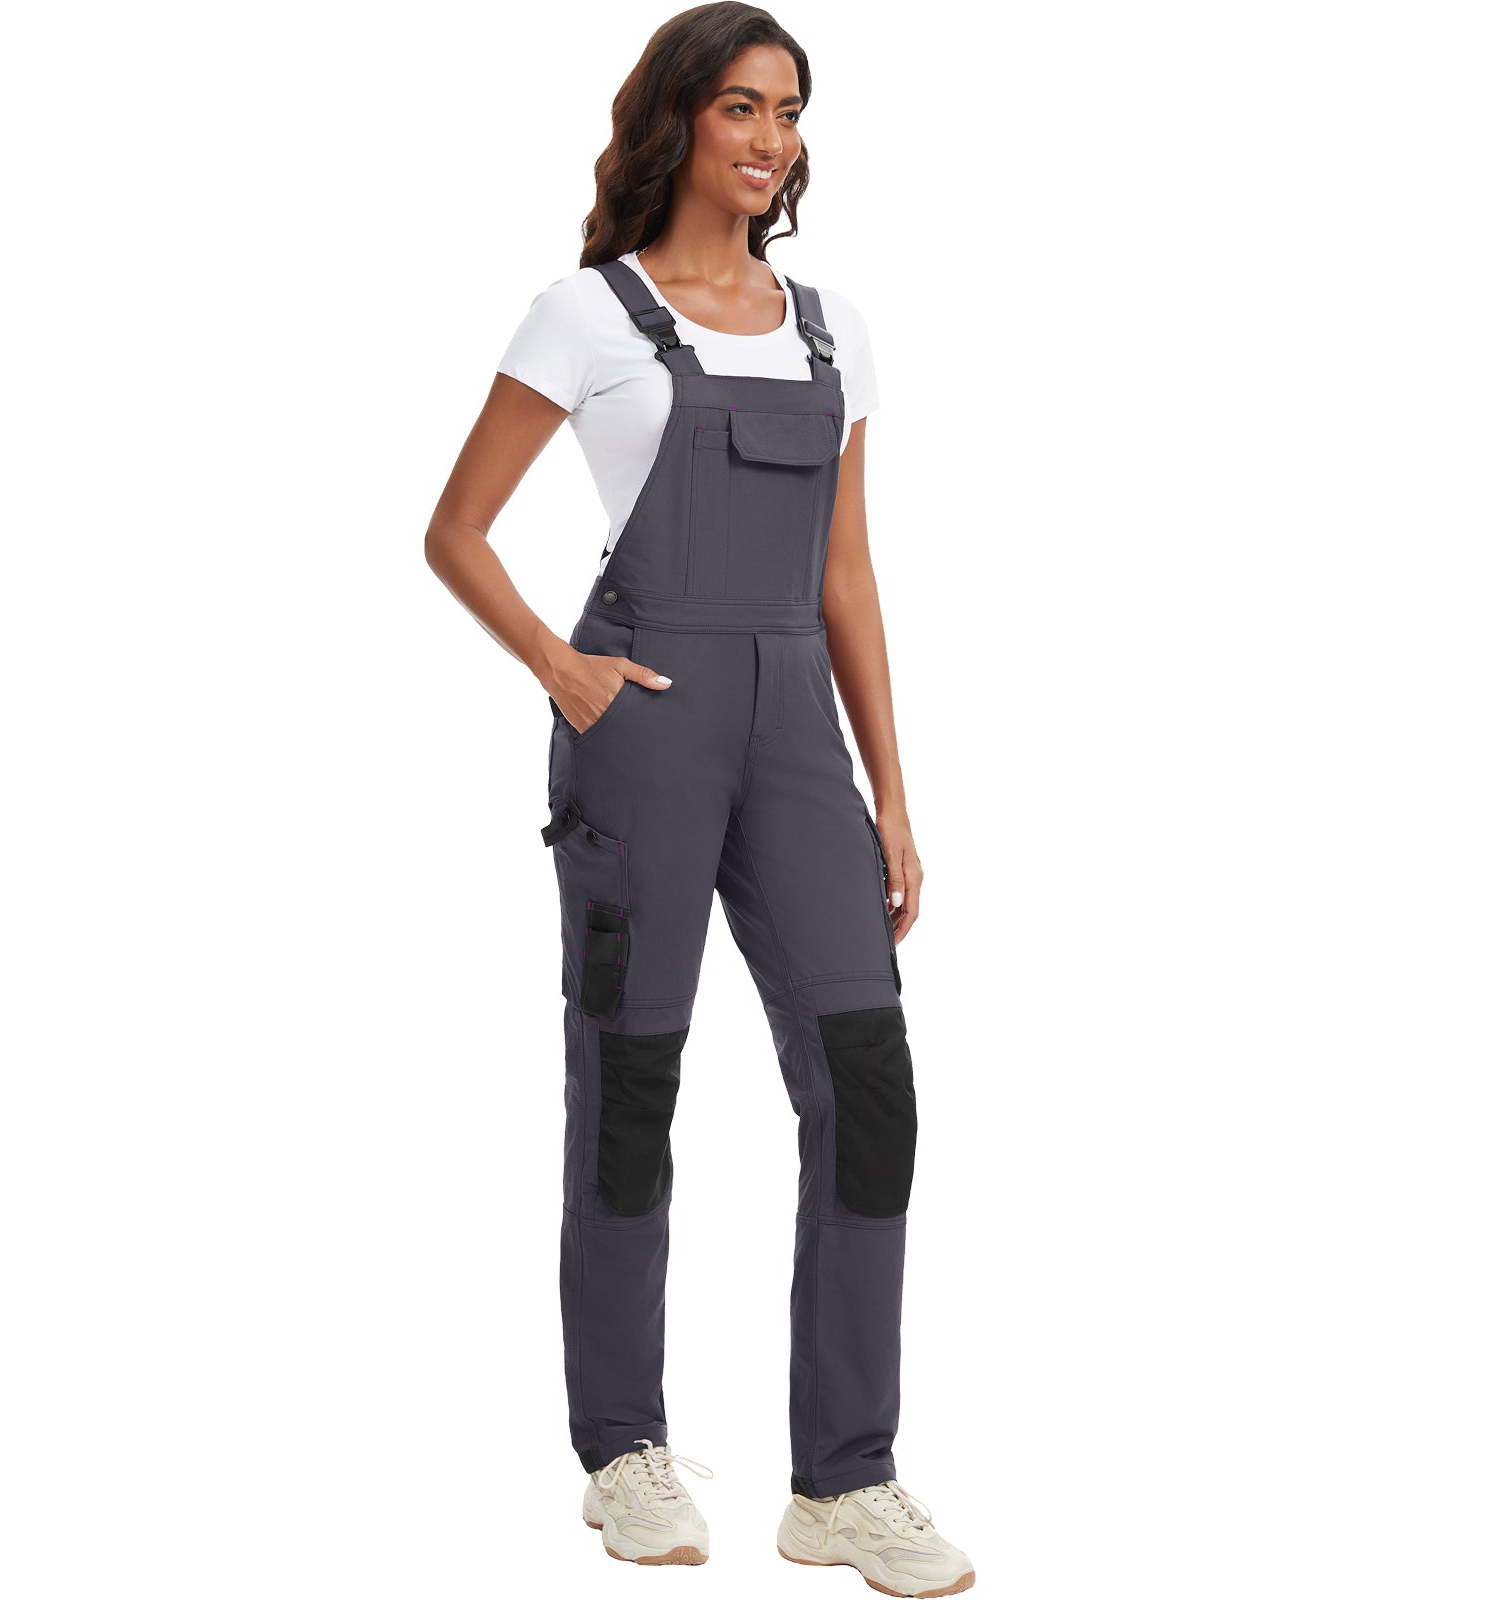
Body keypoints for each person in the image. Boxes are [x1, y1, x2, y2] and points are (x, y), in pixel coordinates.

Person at [424, 5, 974, 1593]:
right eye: (741, 105)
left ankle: (846, 1481)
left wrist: (892, 795)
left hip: (799, 740)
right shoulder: (586, 315)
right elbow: (455, 529)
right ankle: (624, 1451)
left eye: (789, 110)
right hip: (645, 729)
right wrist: (560, 668)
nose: (771, 138)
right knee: (633, 1084)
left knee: (869, 1086)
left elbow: (848, 575)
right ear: (677, 121)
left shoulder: (832, 327)